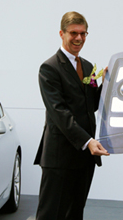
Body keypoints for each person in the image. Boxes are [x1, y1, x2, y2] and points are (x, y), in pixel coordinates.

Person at [34, 11, 109, 220]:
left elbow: (91, 104)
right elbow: (58, 112)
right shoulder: (49, 68)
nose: (79, 38)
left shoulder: (86, 66)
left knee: (75, 213)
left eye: (83, 34)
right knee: (51, 214)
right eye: (74, 33)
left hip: (85, 156)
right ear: (62, 33)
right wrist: (87, 141)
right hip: (60, 156)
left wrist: (109, 83)